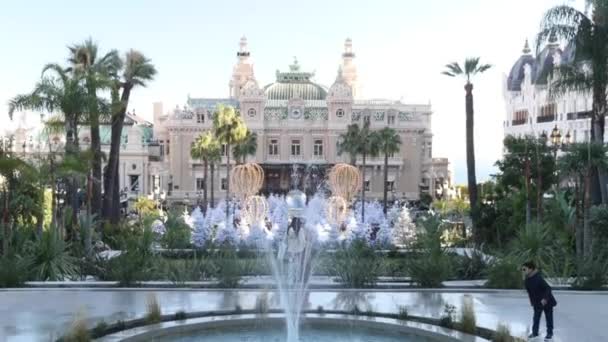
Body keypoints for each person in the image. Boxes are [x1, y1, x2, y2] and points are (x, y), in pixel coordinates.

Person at [522, 261, 557, 341]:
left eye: (524, 269)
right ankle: (535, 332)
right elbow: (530, 292)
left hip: (547, 301)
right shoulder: (527, 280)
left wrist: (545, 299)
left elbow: (548, 288)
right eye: (522, 269)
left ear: (530, 269)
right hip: (537, 302)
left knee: (549, 317)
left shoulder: (538, 278)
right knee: (536, 318)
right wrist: (531, 301)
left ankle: (549, 333)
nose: (523, 271)